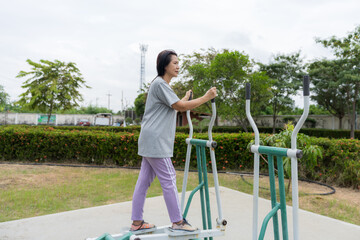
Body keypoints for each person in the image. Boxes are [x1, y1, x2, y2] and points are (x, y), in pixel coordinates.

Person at [130, 49, 217, 233]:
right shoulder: (161, 84)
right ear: (165, 66)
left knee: (143, 181)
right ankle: (177, 222)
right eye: (175, 63)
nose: (178, 66)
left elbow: (174, 107)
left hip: (149, 139)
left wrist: (184, 99)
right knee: (169, 178)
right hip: (156, 141)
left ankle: (137, 222)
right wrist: (206, 97)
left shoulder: (161, 86)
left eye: (178, 63)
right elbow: (179, 106)